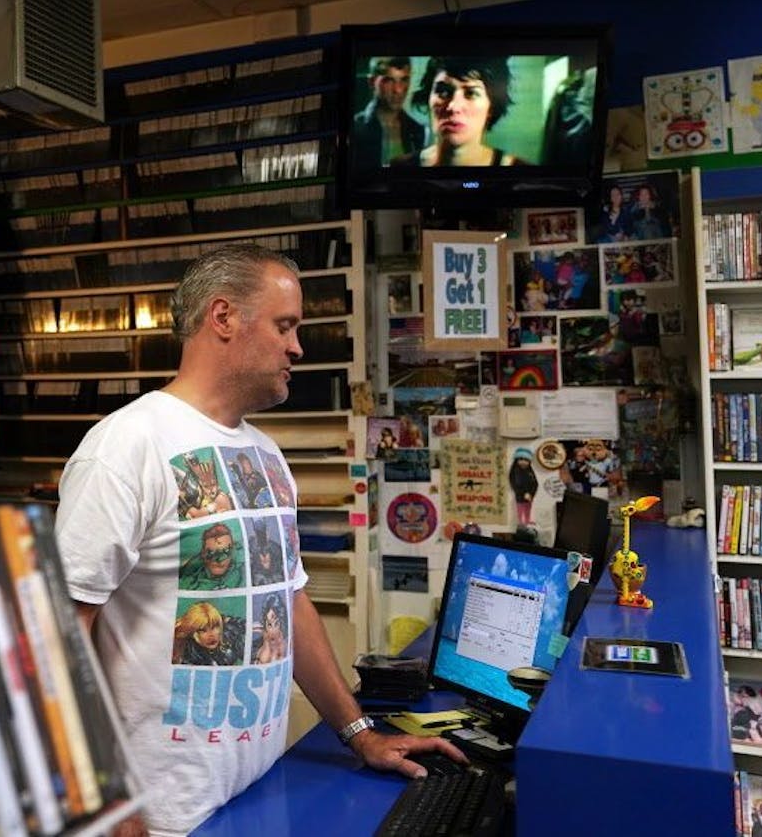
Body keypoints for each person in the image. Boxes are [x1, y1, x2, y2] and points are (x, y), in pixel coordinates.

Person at [55, 243, 464, 836]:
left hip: (256, 791)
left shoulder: (265, 454)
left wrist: (360, 734)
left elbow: (289, 602)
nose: (297, 347)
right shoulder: (125, 447)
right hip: (162, 815)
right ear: (223, 318)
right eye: (285, 325)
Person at [391, 56, 526, 167]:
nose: (453, 107)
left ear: (491, 106)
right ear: (428, 98)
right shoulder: (398, 168)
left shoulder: (522, 175)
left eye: (471, 93)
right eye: (443, 92)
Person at [350, 56, 425, 167]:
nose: (398, 90)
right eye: (389, 80)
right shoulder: (355, 128)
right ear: (371, 82)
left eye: (404, 80)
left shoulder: (417, 131)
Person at [170, 600, 246, 667]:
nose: (211, 635)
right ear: (193, 633)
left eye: (214, 627)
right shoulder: (187, 654)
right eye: (203, 630)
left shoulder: (231, 632)